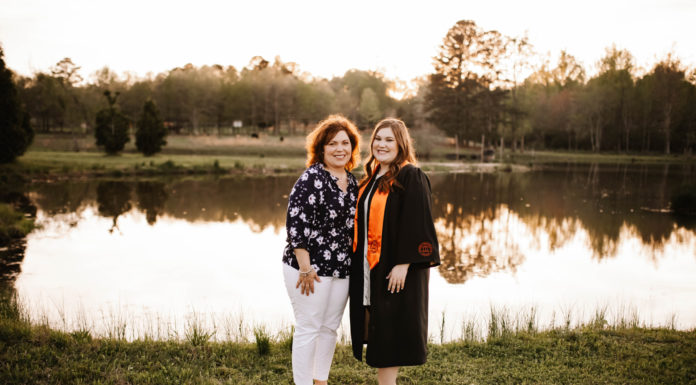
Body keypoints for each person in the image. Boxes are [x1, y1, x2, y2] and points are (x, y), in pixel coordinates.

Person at [349, 118, 440, 385]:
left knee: (390, 336)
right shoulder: (371, 178)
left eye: (389, 139)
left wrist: (404, 263)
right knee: (381, 333)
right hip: (371, 268)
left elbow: (419, 221)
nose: (382, 144)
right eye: (378, 138)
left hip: (395, 270)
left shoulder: (410, 175)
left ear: (401, 143)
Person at [282, 115, 361, 385]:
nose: (340, 149)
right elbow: (295, 226)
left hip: (342, 268)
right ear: (321, 149)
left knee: (329, 328)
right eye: (332, 144)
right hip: (309, 268)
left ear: (352, 147)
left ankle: (320, 380)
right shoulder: (311, 179)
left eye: (345, 143)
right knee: (309, 327)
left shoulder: (353, 184)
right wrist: (305, 268)